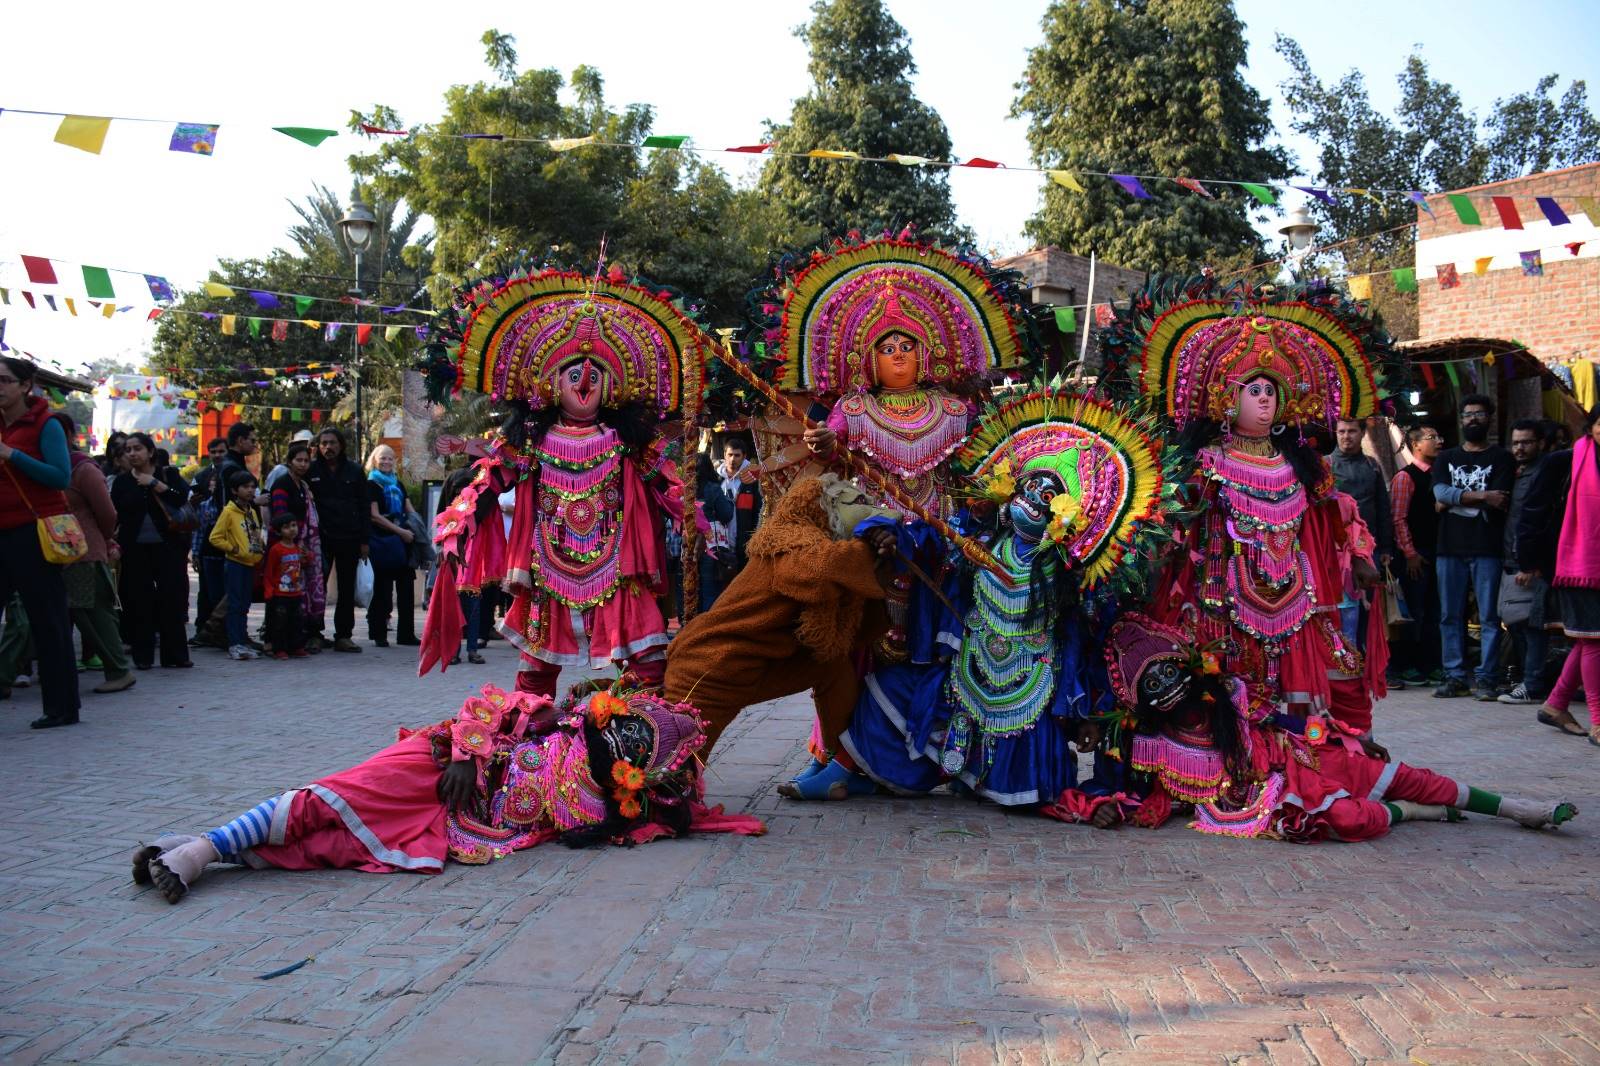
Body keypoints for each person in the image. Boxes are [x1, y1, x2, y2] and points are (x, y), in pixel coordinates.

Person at [837, 389, 1173, 805]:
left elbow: (1092, 643)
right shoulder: (978, 538)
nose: (1032, 501)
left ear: (1065, 515)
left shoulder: (1070, 573)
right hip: (967, 673)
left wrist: (1089, 715)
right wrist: (892, 535)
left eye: (1047, 498)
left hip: (1030, 689)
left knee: (1034, 787)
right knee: (885, 690)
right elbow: (930, 543)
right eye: (1029, 488)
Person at [130, 684, 760, 904]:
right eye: (630, 728)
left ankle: (202, 851)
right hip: (435, 768)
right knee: (326, 801)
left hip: (457, 827)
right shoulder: (553, 717)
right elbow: (488, 702)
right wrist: (467, 752)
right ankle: (202, 849)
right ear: (610, 714)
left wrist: (665, 812)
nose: (629, 744)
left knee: (334, 847)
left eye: (642, 750)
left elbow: (681, 819)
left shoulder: (613, 807)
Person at [1099, 286, 1395, 726]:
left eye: (1272, 391)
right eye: (1253, 389)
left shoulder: (1302, 467)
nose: (1264, 399)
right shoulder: (1205, 462)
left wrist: (1360, 557)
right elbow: (1173, 527)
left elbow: (1336, 516)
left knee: (1299, 716)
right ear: (1225, 398)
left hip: (1295, 600)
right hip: (1217, 601)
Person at [1048, 612, 1578, 841]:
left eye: (1170, 672)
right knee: (1350, 821)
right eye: (1151, 684)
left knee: (1406, 773)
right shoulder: (1150, 746)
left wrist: (1349, 734)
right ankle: (1417, 814)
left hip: (1298, 757)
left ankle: (1516, 808)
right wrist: (1108, 806)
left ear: (1192, 669)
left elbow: (1290, 718)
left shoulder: (1234, 700)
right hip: (1272, 802)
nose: (1165, 688)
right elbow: (1132, 794)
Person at [421, 270, 694, 693]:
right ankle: (532, 745)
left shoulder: (627, 443)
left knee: (649, 666)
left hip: (617, 567)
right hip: (548, 570)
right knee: (534, 676)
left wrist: (694, 519)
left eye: (595, 376)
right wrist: (457, 526)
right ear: (550, 383)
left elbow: (669, 487)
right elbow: (486, 482)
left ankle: (640, 740)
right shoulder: (528, 441)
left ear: (612, 385)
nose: (585, 382)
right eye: (573, 375)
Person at [662, 476, 896, 760]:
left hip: (759, 664)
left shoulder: (822, 544)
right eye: (857, 502)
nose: (868, 508)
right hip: (711, 664)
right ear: (822, 507)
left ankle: (843, 762)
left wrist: (882, 552)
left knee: (831, 667)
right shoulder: (789, 543)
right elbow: (823, 569)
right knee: (675, 765)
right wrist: (869, 548)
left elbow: (853, 604)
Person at [0, 357, 81, 728]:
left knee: (48, 622)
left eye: (4, 380)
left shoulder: (45, 424)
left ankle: (62, 707)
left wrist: (12, 455)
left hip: (34, 534)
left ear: (24, 386)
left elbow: (60, 476)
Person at [1431, 393, 1516, 700]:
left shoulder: (1502, 458)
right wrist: (1482, 497)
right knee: (1449, 615)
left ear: (1489, 418)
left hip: (1487, 546)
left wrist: (1452, 499)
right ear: (1461, 420)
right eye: (1468, 415)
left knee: (1490, 616)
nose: (1473, 419)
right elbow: (1439, 492)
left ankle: (1487, 678)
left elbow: (1501, 498)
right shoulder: (1445, 458)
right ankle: (1455, 676)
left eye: (1479, 414)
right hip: (1449, 547)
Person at [52, 413, 135, 693]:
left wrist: (106, 539)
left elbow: (107, 513)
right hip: (50, 552)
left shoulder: (82, 469)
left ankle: (118, 670)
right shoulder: (43, 465)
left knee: (93, 613)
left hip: (84, 552)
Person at [1537, 407, 1600, 746]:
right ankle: (1598, 722)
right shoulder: (1565, 461)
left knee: (1588, 639)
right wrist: (1531, 559)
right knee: (1593, 639)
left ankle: (1556, 703)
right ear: (1590, 428)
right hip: (1578, 565)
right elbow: (1535, 509)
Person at [110, 432, 193, 670]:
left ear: (150, 451)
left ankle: (175, 656)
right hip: (134, 549)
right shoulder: (122, 482)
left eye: (137, 448)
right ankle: (143, 656)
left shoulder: (169, 474)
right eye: (128, 450)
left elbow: (180, 500)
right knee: (139, 601)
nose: (132, 453)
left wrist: (155, 484)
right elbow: (117, 513)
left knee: (172, 599)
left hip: (169, 548)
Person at [1497, 420, 1553, 705]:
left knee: (1532, 625)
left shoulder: (1543, 473)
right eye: (1516, 442)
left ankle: (1533, 683)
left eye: (1526, 442)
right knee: (1517, 622)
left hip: (1528, 564)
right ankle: (1530, 679)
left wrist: (1528, 564)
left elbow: (1536, 523)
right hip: (1511, 559)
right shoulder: (1518, 473)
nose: (1519, 448)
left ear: (1541, 443)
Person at [305, 427, 370, 653]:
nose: (328, 447)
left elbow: (364, 506)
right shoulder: (310, 470)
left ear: (340, 445)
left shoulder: (354, 470)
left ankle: (344, 635)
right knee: (316, 587)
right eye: (323, 443)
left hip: (349, 538)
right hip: (320, 539)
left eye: (332, 443)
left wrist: (364, 541)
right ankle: (313, 634)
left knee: (345, 589)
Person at [1389, 425, 1444, 686]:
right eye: (1432, 437)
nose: (1438, 441)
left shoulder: (1440, 475)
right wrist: (1410, 553)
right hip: (1416, 555)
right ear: (1416, 445)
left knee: (1436, 610)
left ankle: (1431, 663)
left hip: (1439, 552)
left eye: (1438, 436)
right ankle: (1407, 664)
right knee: (1414, 610)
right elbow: (1399, 518)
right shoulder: (1406, 477)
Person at [269, 441, 326, 652]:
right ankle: (277, 643)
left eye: (306, 460)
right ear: (289, 462)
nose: (303, 464)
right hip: (285, 548)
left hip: (305, 547)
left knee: (301, 594)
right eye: (298, 460)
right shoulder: (282, 485)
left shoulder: (303, 485)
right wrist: (293, 542)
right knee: (282, 598)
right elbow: (280, 517)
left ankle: (297, 640)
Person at [365, 444, 419, 648]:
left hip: (403, 541)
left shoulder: (398, 484)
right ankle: (379, 633)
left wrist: (420, 528)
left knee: (406, 588)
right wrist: (401, 532)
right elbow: (375, 516)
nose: (386, 462)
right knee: (382, 589)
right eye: (382, 458)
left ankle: (406, 634)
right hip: (382, 540)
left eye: (390, 458)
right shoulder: (371, 485)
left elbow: (409, 509)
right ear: (374, 461)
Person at [209, 469, 265, 661]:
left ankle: (242, 641)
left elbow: (256, 534)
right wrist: (232, 548)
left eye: (252, 487)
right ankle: (235, 643)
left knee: (244, 605)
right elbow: (215, 537)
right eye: (245, 487)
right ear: (234, 490)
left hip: (250, 563)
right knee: (234, 604)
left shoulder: (251, 512)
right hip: (235, 564)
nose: (250, 491)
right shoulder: (228, 512)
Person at [437, 465, 489, 665]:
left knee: (473, 606)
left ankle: (472, 649)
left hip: (472, 562)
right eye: (457, 488)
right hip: (452, 561)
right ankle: (454, 650)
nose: (461, 492)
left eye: (466, 487)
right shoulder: (447, 512)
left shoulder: (478, 507)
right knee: (453, 607)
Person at [188, 436, 229, 632]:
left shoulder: (234, 473)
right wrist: (195, 551)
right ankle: (203, 629)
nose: (217, 455)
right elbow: (192, 510)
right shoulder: (201, 476)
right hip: (206, 540)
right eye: (213, 452)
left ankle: (220, 628)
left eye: (221, 451)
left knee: (224, 588)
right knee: (206, 588)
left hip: (230, 540)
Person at [694, 451, 736, 613]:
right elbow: (726, 514)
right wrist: (731, 503)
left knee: (689, 590)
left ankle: (688, 630)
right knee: (710, 591)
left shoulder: (682, 488)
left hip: (687, 546)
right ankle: (706, 631)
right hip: (709, 546)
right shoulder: (713, 489)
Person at [263, 513, 307, 660]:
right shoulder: (276, 550)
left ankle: (296, 646)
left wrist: (308, 556)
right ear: (279, 531)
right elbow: (269, 571)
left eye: (293, 525)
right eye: (286, 527)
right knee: (280, 621)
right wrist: (269, 590)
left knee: (296, 620)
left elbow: (304, 563)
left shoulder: (298, 548)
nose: (292, 530)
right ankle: (279, 648)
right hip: (280, 593)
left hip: (295, 591)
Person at [718, 438, 762, 573]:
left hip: (744, 540)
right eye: (730, 455)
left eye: (737, 455)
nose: (733, 459)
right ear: (724, 455)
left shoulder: (752, 480)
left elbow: (758, 511)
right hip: (720, 540)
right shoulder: (716, 479)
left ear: (744, 456)